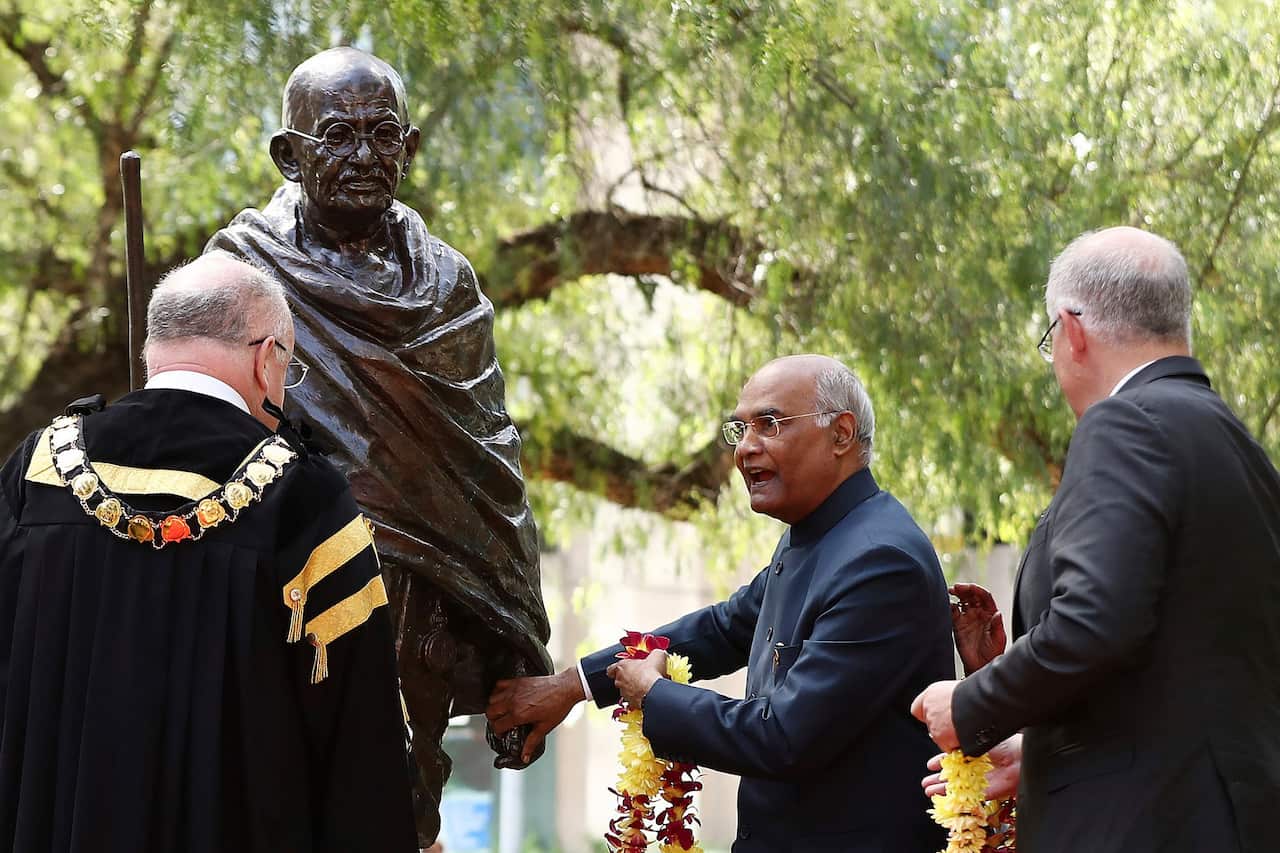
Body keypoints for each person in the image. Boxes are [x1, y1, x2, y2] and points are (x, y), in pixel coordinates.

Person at [205, 46, 553, 841]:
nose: (365, 155)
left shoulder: (448, 284)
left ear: (411, 146)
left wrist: (516, 644)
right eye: (337, 135)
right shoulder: (237, 276)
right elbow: (203, 433)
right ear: (290, 156)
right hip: (281, 580)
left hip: (416, 592)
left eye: (383, 133)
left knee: (399, 795)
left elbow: (489, 458)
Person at [0, 253, 417, 852]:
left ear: (153, 351)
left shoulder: (36, 472)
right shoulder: (303, 499)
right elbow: (360, 741)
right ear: (266, 357)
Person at [487, 355, 953, 852]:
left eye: (769, 424)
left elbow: (784, 738)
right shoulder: (820, 536)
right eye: (739, 429)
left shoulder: (880, 560)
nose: (746, 448)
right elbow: (724, 629)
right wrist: (574, 685)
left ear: (841, 434)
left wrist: (654, 696)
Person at [912, 226, 1280, 853]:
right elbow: (1192, 665)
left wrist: (970, 706)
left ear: (1071, 330)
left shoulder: (1123, 421)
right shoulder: (1241, 448)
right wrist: (1046, 754)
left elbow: (1095, 622)